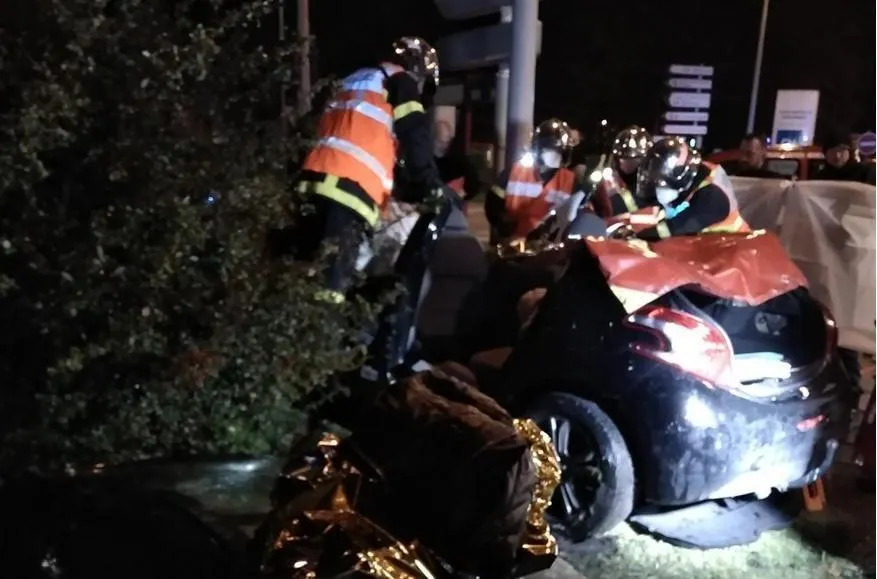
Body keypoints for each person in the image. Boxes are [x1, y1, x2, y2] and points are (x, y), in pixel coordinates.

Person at [289, 37, 444, 300]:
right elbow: (415, 134)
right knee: (331, 291)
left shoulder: (352, 80)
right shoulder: (400, 82)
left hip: (309, 186)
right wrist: (429, 184)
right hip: (349, 194)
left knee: (300, 277)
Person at [633, 137, 751, 240]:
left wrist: (634, 238)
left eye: (662, 183)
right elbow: (648, 202)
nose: (659, 188)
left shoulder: (713, 197)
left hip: (733, 249)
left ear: (682, 176)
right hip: (705, 247)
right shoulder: (690, 178)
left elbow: (675, 229)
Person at [485, 118, 577, 241]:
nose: (555, 154)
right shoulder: (515, 172)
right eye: (549, 149)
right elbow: (493, 202)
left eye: (559, 151)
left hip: (551, 245)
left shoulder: (570, 180)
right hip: (513, 243)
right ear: (538, 148)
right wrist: (502, 224)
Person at [592, 126, 653, 218]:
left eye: (635, 159)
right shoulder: (605, 186)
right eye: (622, 158)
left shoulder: (655, 186)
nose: (625, 163)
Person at [433, 119, 484, 201]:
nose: (445, 145)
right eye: (441, 142)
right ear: (433, 139)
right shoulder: (426, 159)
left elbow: (473, 180)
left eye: (447, 142)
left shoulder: (456, 159)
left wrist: (461, 195)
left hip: (451, 203)